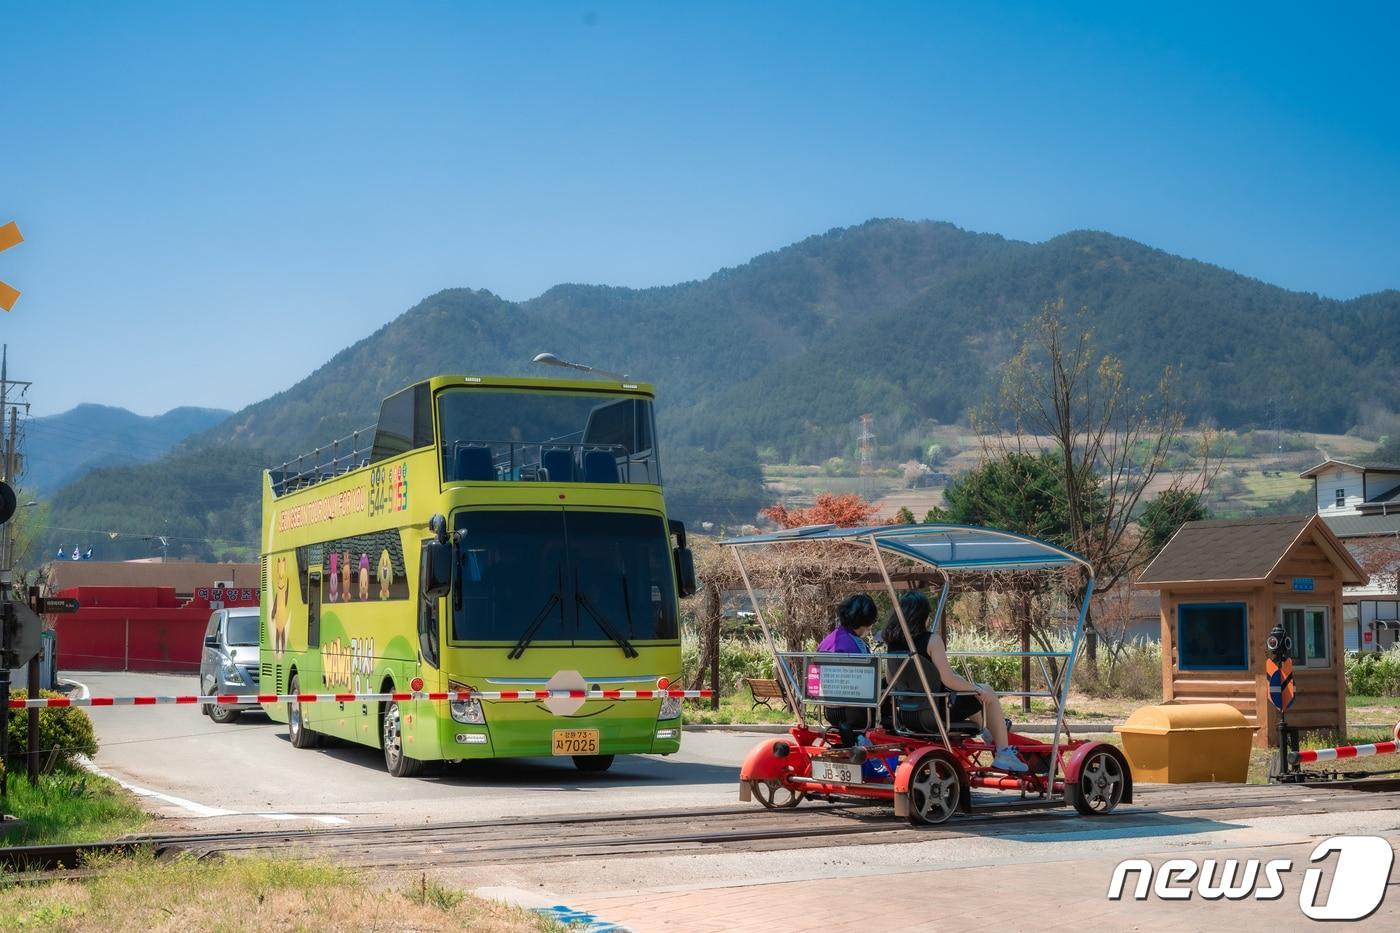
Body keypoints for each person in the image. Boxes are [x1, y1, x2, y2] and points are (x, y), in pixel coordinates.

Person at [881, 590, 1028, 773]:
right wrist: (976, 689)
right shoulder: (932, 640)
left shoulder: (893, 643)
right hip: (937, 713)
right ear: (923, 617)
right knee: (986, 690)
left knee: (969, 694)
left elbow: (889, 679)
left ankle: (989, 733)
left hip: (906, 715)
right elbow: (948, 679)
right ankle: (1003, 752)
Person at [816, 593, 877, 746]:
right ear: (866, 621)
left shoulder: (827, 641)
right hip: (857, 713)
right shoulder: (855, 645)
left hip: (831, 711)